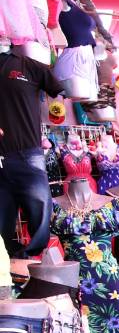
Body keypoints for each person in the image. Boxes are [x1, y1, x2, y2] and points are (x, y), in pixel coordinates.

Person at [1, 50, 65, 257]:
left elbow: (57, 91)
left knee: (40, 214)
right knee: (2, 227)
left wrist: (57, 109)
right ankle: (12, 262)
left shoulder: (29, 66)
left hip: (27, 152)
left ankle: (32, 262)